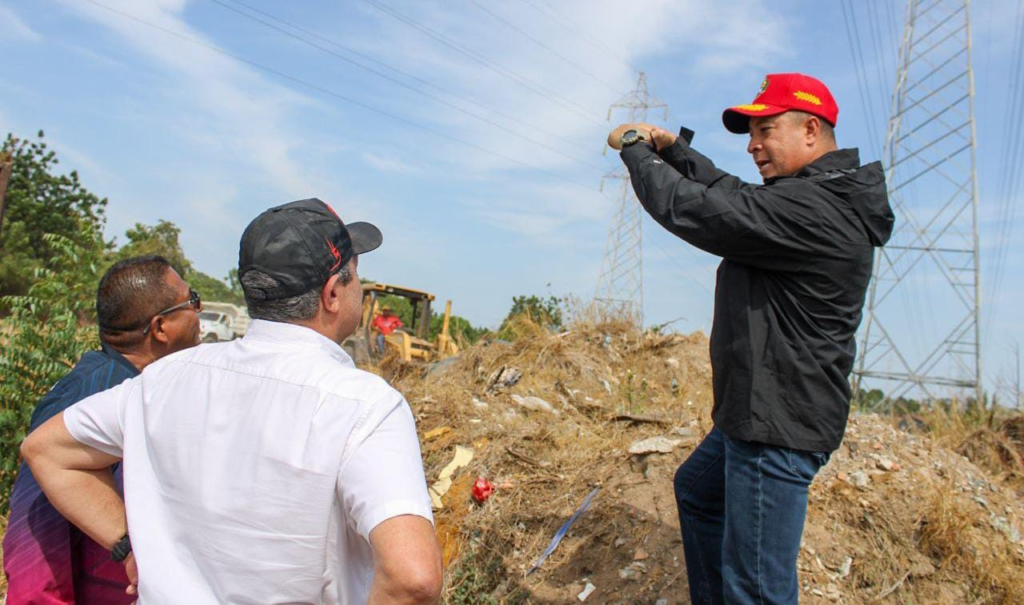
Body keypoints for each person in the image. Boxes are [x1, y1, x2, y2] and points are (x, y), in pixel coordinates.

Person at [21, 198, 443, 604]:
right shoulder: (365, 406)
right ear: (332, 294)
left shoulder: (163, 380)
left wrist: (128, 545)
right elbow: (413, 579)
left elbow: (46, 449)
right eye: (355, 275)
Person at [608, 73, 894, 604]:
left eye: (765, 129)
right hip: (758, 413)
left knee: (757, 591)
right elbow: (732, 192)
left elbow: (700, 210)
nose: (752, 144)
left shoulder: (815, 209)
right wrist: (677, 153)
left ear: (810, 129)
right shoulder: (813, 195)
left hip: (776, 428)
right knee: (697, 494)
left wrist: (635, 151)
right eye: (750, 132)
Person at [3, 255, 200, 603]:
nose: (198, 314)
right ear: (160, 327)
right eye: (192, 301)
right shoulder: (89, 397)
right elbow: (35, 536)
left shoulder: (145, 390)